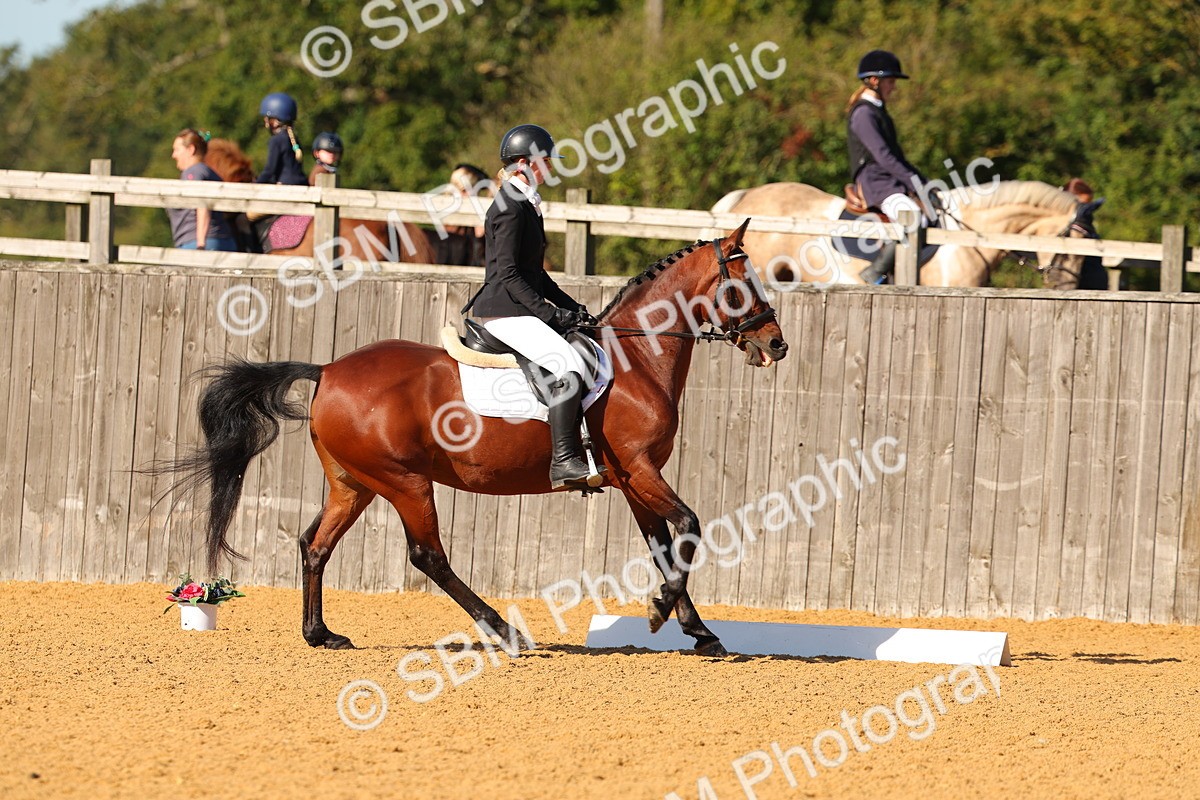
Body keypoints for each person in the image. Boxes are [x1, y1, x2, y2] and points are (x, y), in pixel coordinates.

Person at [465, 124, 603, 490]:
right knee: (568, 363)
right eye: (546, 161)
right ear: (524, 163)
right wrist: (549, 315)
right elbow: (508, 274)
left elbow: (536, 274)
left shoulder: (526, 203)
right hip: (504, 311)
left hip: (517, 307)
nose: (551, 167)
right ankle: (564, 460)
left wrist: (573, 307)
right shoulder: (510, 206)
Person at [846, 50, 939, 284]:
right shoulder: (864, 113)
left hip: (888, 179)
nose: (894, 87)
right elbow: (884, 156)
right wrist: (915, 184)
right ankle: (876, 271)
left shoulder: (878, 110)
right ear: (874, 81)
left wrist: (923, 182)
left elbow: (897, 156)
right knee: (913, 217)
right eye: (890, 81)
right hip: (876, 182)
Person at [167, 128, 238, 252]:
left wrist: (201, 244)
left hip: (197, 242)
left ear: (190, 149)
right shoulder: (210, 173)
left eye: (177, 150)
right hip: (223, 240)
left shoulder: (193, 172)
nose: (174, 155)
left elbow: (202, 205)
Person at [435, 164, 490, 266]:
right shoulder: (449, 220)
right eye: (464, 190)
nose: (470, 195)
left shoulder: (477, 219)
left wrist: (479, 237)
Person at [255, 92, 308, 186]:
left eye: (267, 119)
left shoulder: (276, 140)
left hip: (285, 185)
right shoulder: (293, 138)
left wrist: (255, 184)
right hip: (302, 183)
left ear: (275, 121)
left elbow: (269, 170)